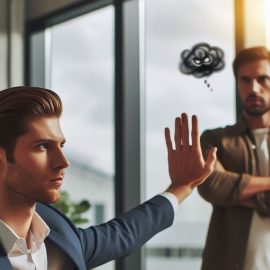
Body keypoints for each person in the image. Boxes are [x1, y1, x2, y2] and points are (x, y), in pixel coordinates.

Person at [0, 86, 216, 270]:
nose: (63, 162)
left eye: (61, 146)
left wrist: (181, 187)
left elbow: (122, 234)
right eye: (42, 146)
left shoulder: (55, 229)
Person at [198, 46, 270, 270]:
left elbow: (223, 189)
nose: (254, 88)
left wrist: (236, 193)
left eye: (263, 79)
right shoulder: (216, 140)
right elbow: (211, 185)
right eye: (245, 80)